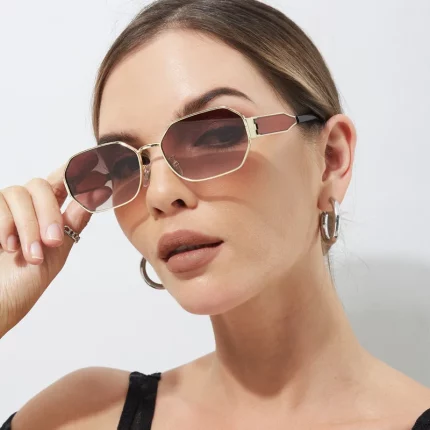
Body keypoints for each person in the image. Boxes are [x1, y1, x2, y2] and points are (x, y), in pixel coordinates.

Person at [1, 0, 430, 428]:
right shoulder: (78, 417)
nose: (160, 194)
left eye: (216, 135)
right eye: (124, 165)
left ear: (331, 159)